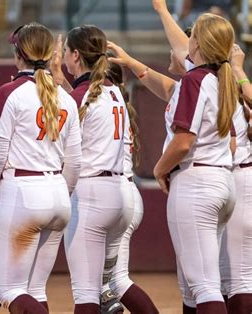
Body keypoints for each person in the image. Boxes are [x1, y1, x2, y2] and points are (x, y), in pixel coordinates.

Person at [109, 12, 237, 313]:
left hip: (197, 184)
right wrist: (133, 62)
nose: (185, 41)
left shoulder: (196, 80)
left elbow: (183, 142)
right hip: (220, 181)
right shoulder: (219, 79)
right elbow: (169, 89)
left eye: (191, 37)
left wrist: (159, 169)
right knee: (194, 287)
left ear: (199, 45)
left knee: (203, 285)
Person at [0, 22, 82, 313]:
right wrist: (61, 193)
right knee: (34, 289)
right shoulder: (65, 96)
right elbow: (75, 161)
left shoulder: (10, 92)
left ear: (18, 53)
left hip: (25, 193)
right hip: (58, 193)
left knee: (8, 289)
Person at [51, 25, 134, 313]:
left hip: (90, 195)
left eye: (65, 52)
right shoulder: (113, 90)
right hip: (120, 196)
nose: (62, 57)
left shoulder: (80, 96)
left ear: (75, 55)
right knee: (108, 291)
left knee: (86, 294)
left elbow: (57, 144)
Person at [106, 61, 160, 314]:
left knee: (113, 282)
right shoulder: (119, 104)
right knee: (103, 283)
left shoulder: (99, 102)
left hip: (113, 195)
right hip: (125, 193)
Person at [218, 44, 252, 314]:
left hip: (241, 175)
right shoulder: (226, 88)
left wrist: (239, 69)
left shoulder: (233, 89)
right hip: (234, 176)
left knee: (239, 274)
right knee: (229, 275)